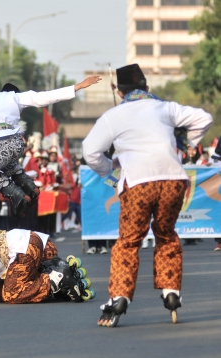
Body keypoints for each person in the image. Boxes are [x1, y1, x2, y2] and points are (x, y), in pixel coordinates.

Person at [82, 64, 212, 327]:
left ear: (120, 92)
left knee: (129, 241)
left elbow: (90, 151)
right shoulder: (165, 108)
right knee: (166, 234)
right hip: (174, 180)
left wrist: (112, 173)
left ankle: (120, 296)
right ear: (147, 88)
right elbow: (204, 119)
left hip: (139, 183)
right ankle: (171, 291)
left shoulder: (113, 115)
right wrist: (185, 147)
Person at [0, 77, 101, 216]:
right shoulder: (15, 97)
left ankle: (17, 195)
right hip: (15, 143)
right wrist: (77, 86)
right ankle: (30, 186)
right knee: (7, 163)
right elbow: (43, 97)